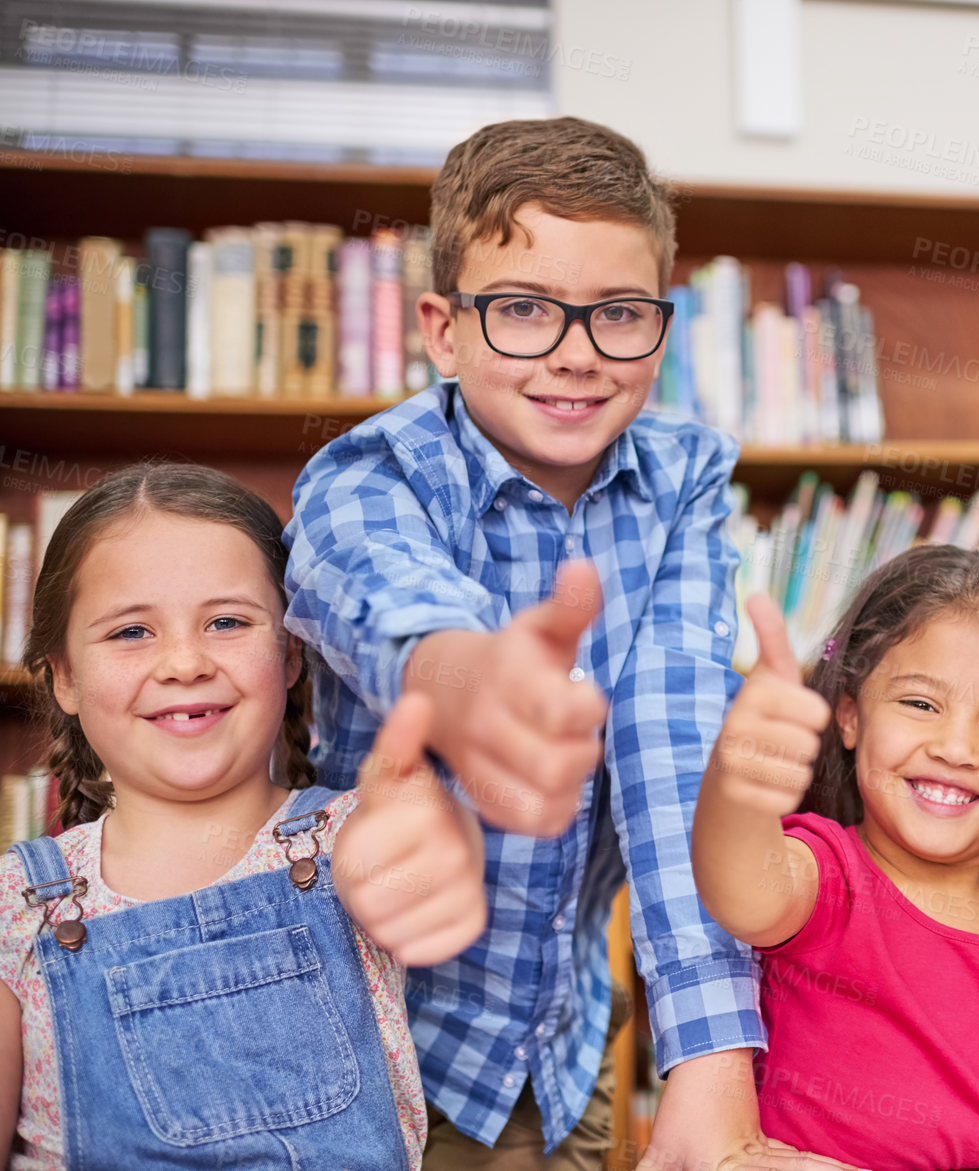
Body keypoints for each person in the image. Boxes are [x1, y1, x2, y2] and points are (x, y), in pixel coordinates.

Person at [282, 117, 830, 1170]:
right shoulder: (370, 475)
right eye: (525, 309)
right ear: (444, 329)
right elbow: (389, 605)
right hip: (370, 1054)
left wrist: (711, 1063)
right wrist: (472, 684)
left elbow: (673, 762)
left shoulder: (684, 479)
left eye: (619, 312)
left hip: (562, 1049)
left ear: (661, 328)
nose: (576, 353)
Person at [1, 462, 486, 1168]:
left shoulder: (351, 839)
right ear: (65, 676)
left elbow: (432, 863)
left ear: (290, 652)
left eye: (227, 621)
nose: (185, 662)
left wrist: (432, 823)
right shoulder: (17, 905)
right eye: (132, 631)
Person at [692, 545, 979, 1170]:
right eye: (920, 705)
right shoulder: (828, 876)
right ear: (850, 716)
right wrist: (737, 781)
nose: (957, 748)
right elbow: (740, 887)